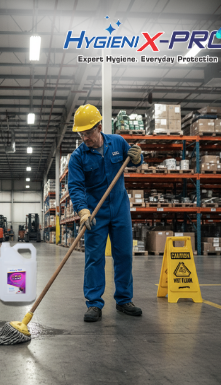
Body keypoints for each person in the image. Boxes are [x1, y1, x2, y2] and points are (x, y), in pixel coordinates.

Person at [67, 104, 143, 322]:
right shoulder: (78, 157)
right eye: (81, 134)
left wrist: (138, 158)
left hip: (120, 209)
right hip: (95, 213)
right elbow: (75, 187)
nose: (84, 138)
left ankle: (124, 300)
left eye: (88, 133)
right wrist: (83, 212)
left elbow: (136, 161)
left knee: (124, 255)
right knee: (94, 258)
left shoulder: (118, 142)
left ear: (99, 127)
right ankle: (94, 303)